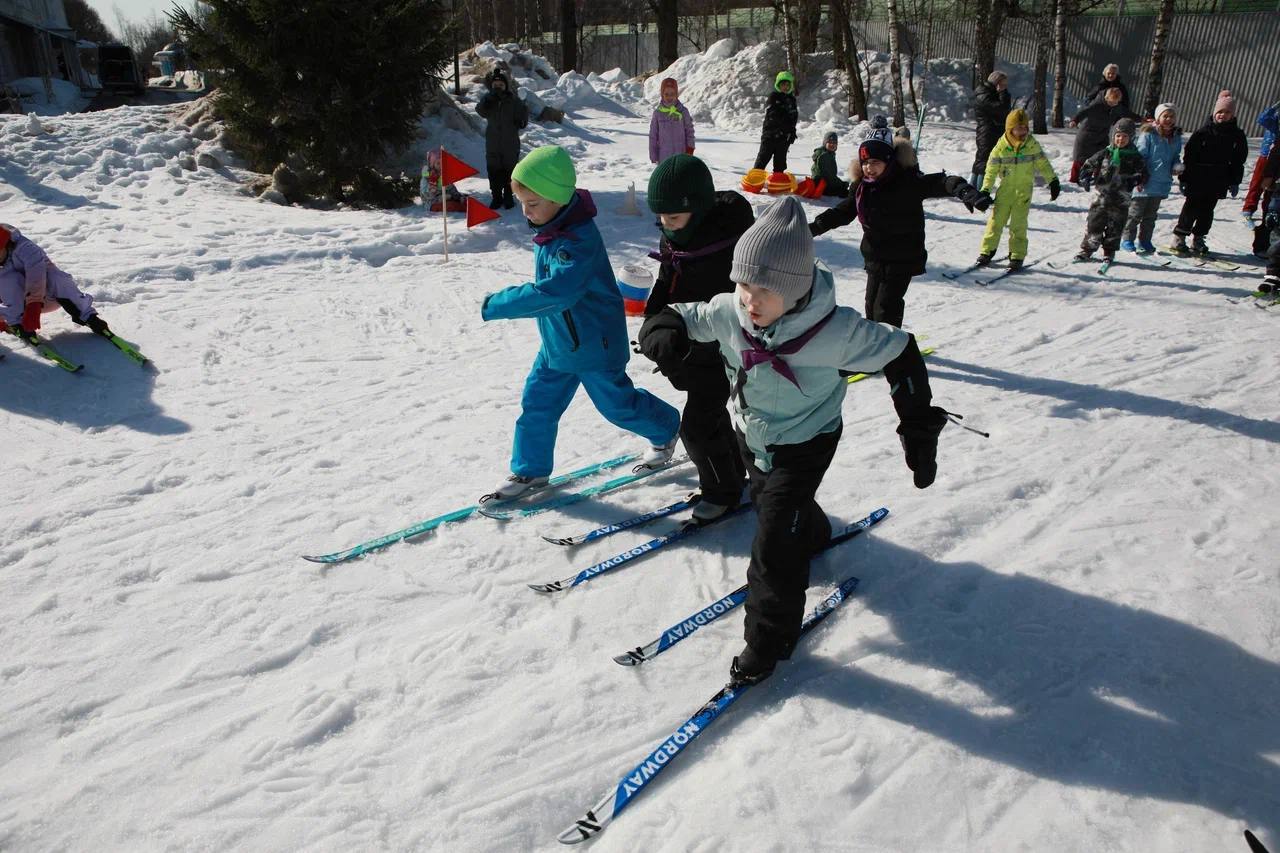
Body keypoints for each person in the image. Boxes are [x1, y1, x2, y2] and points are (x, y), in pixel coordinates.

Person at [636, 197, 949, 685]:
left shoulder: (838, 331)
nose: (750, 300)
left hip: (807, 441)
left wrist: (917, 426)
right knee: (774, 506)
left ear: (796, 287)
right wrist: (663, 327)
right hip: (753, 436)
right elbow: (683, 313)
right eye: (744, 284)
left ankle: (768, 641)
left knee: (774, 545)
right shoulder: (731, 310)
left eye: (764, 290)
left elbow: (901, 352)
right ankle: (812, 530)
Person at [479, 146, 681, 501]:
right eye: (523, 203)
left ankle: (667, 428)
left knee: (618, 405)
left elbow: (555, 292)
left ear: (558, 198)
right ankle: (530, 470)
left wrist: (497, 304)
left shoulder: (576, 241)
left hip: (593, 345)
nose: (526, 211)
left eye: (532, 203)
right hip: (558, 344)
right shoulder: (554, 227)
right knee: (537, 405)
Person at [643, 154, 754, 521]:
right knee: (712, 417)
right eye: (661, 218)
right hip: (692, 347)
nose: (666, 225)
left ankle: (723, 492)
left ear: (699, 209)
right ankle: (733, 473)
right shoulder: (679, 235)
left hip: (728, 350)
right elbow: (667, 279)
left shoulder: (732, 246)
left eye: (673, 218)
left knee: (697, 427)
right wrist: (654, 319)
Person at [810, 121, 991, 326]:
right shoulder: (862, 187)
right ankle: (880, 341)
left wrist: (964, 191)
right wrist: (812, 228)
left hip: (901, 257)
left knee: (885, 310)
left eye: (875, 162)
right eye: (865, 162)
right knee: (871, 308)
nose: (869, 168)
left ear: (888, 161)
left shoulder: (907, 181)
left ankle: (894, 344)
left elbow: (942, 182)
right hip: (876, 257)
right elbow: (842, 212)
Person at [976, 109, 1060, 270]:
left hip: (1023, 192)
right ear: (1010, 129)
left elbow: (1043, 164)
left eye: (1025, 128)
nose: (1022, 132)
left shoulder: (1032, 145)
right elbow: (991, 170)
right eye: (1018, 128)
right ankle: (987, 251)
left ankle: (1017, 255)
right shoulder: (1000, 147)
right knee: (995, 222)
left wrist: (1053, 181)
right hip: (1005, 191)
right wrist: (986, 189)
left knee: (1018, 225)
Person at [0, 224, 116, 341]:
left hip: (47, 296)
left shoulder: (26, 248)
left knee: (56, 277)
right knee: (8, 279)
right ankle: (17, 324)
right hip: (14, 305)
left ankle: (88, 317)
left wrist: (33, 305)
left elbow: (36, 276)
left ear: (6, 244)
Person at [1170, 90, 1249, 256]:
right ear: (1214, 112)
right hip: (1197, 177)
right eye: (1220, 112)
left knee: (1207, 211)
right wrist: (1184, 178)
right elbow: (1189, 157)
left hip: (1219, 177)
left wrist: (1234, 181)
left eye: (1227, 112)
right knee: (1191, 208)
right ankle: (1180, 236)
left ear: (1232, 115)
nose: (1223, 115)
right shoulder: (1202, 133)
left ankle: (1198, 238)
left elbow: (1238, 160)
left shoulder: (1237, 135)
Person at [1074, 118, 1149, 263]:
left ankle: (1109, 251)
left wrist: (1134, 180)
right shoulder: (1105, 153)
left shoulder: (1135, 157)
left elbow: (1143, 174)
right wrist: (1085, 177)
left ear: (1131, 138)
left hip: (1121, 199)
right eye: (1118, 135)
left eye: (1125, 136)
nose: (1121, 139)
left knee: (1115, 226)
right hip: (1101, 198)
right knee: (1094, 223)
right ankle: (1087, 249)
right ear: (1113, 136)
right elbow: (1089, 164)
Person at [1121, 103, 1182, 254]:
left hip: (1161, 182)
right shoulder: (1148, 134)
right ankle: (1127, 239)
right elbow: (1140, 156)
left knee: (1150, 216)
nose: (1168, 119)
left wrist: (1176, 165)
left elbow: (1175, 156)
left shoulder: (1175, 138)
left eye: (1172, 116)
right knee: (1135, 214)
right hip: (1144, 181)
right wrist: (1139, 175)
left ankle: (1145, 240)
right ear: (1158, 117)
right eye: (1165, 116)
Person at [475, 67, 529, 210]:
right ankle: (496, 196)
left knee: (510, 170)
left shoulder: (513, 100)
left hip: (510, 143)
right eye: (495, 85)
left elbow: (523, 116)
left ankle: (508, 195)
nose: (498, 87)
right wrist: (488, 99)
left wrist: (522, 118)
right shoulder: (488, 99)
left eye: (501, 85)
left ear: (506, 86)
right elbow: (480, 110)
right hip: (493, 142)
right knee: (494, 170)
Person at [1069, 87, 1138, 184]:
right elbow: (1084, 112)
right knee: (1080, 158)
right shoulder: (1096, 105)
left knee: (1102, 157)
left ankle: (1098, 179)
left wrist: (1141, 119)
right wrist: (1075, 120)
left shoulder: (1116, 107)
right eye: (1111, 102)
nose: (1113, 104)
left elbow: (1127, 113)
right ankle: (1074, 179)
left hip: (1102, 135)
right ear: (1106, 98)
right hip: (1087, 135)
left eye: (1116, 102)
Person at [971, 70, 1011, 189]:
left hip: (990, 130)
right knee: (985, 161)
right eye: (1003, 84)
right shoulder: (985, 95)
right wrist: (1003, 93)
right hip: (988, 132)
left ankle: (973, 187)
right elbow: (1002, 109)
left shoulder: (988, 93)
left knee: (981, 160)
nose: (1004, 87)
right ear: (996, 83)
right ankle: (979, 189)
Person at [753, 71, 798, 173]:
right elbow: (774, 116)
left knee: (780, 162)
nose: (785, 87)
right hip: (770, 135)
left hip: (784, 137)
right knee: (763, 158)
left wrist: (792, 131)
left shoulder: (792, 100)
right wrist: (784, 126)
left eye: (787, 84)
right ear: (778, 85)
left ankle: (778, 179)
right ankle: (755, 178)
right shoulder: (774, 97)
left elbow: (794, 117)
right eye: (783, 84)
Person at [1242, 100, 1278, 220]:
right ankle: (1248, 209)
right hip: (1265, 156)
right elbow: (1262, 119)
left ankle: (1268, 212)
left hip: (1278, 160)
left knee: (1272, 187)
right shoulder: (1274, 119)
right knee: (1257, 183)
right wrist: (1276, 106)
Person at [649, 77, 695, 165]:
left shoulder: (683, 111)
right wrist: (653, 154)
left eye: (672, 94)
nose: (669, 97)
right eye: (666, 94)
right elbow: (653, 136)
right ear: (662, 95)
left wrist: (690, 149)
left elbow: (690, 131)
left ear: (676, 94)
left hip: (681, 155)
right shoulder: (658, 113)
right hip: (664, 157)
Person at [810, 131, 849, 197]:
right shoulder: (824, 156)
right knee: (845, 192)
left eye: (834, 143)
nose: (832, 144)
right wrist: (841, 184)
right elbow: (828, 176)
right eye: (830, 142)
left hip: (822, 183)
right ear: (825, 143)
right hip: (821, 185)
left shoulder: (829, 153)